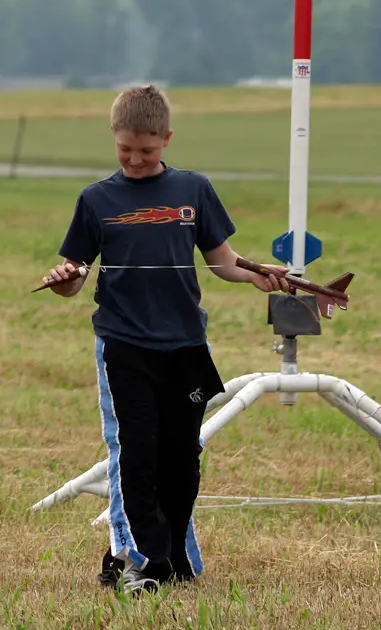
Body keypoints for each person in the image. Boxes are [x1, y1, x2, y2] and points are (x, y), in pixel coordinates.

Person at [43, 85, 290, 595]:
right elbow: (74, 279)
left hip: (185, 345)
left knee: (181, 456)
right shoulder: (96, 200)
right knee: (136, 452)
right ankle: (143, 561)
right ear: (114, 138)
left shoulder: (193, 189)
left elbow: (222, 260)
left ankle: (174, 557)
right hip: (124, 344)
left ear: (167, 140)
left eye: (146, 150)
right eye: (125, 149)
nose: (135, 160)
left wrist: (255, 275)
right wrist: (64, 279)